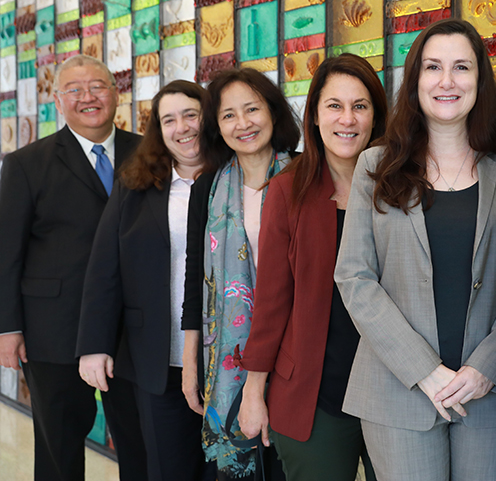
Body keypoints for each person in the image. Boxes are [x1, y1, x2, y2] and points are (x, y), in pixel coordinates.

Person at [335, 18, 496, 481]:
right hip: (397, 391)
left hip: (490, 393)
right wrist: (425, 370)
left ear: (480, 80)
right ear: (415, 81)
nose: (447, 81)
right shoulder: (376, 165)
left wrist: (487, 366)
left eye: (462, 67)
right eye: (433, 67)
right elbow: (354, 277)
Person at [236, 54, 388, 481]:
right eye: (334, 106)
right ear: (315, 117)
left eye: (360, 106)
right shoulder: (288, 190)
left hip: (395, 392)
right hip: (313, 395)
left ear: (376, 116)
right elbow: (270, 302)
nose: (348, 119)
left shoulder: (402, 185)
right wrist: (254, 391)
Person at [0, 54, 148, 481]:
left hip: (133, 330)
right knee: (59, 450)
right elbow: (7, 252)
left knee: (139, 443)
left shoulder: (150, 153)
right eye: (75, 90)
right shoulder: (27, 163)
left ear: (116, 93)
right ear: (58, 101)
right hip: (52, 330)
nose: (88, 97)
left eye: (98, 86)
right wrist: (8, 329)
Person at [75, 81, 216, 481]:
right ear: (158, 130)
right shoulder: (136, 183)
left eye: (191, 115)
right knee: (167, 469)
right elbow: (105, 268)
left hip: (226, 359)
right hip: (157, 359)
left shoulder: (234, 177)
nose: (182, 127)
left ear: (208, 118)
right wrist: (94, 346)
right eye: (169, 120)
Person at [181, 68, 300, 480]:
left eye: (252, 109)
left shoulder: (305, 175)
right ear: (217, 126)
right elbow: (195, 282)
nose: (243, 123)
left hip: (296, 356)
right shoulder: (208, 187)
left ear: (273, 112)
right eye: (229, 115)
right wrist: (191, 362)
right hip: (225, 363)